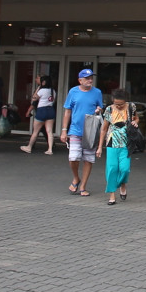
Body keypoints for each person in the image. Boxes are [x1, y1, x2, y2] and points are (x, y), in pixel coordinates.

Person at [62, 68, 104, 197]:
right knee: (73, 158)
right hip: (75, 130)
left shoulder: (97, 92)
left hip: (90, 131)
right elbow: (67, 111)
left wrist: (99, 110)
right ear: (80, 80)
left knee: (88, 159)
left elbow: (100, 108)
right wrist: (64, 130)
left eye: (91, 78)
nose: (90, 80)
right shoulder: (73, 91)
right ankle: (76, 177)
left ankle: (83, 186)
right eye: (87, 78)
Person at [103, 89, 140, 206]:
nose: (118, 106)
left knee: (124, 169)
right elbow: (104, 128)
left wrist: (135, 122)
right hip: (111, 141)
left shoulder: (131, 107)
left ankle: (122, 184)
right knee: (112, 169)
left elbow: (136, 118)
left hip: (126, 142)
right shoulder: (109, 109)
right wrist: (99, 147)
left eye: (121, 104)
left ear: (126, 102)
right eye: (116, 104)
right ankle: (112, 195)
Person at [22, 77, 57, 155]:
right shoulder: (53, 91)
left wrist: (38, 88)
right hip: (51, 110)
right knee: (49, 131)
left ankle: (29, 147)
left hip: (42, 110)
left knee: (35, 131)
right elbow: (53, 101)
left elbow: (34, 98)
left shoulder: (42, 90)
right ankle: (50, 149)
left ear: (43, 82)